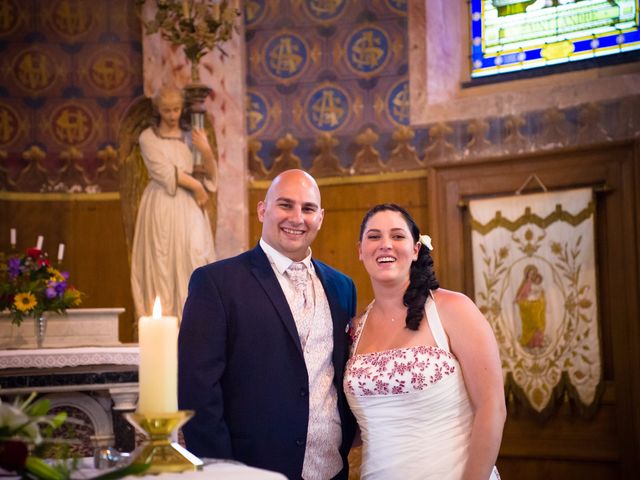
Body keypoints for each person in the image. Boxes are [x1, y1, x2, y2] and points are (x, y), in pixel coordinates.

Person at [178, 169, 357, 480]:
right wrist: (222, 473)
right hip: (251, 471)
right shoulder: (217, 283)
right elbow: (197, 390)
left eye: (308, 209)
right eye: (285, 205)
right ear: (263, 210)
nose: (297, 218)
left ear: (321, 217)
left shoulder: (343, 287)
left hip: (332, 468)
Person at [344, 203, 506, 479]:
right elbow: (355, 430)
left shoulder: (453, 309)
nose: (385, 245)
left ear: (416, 249)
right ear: (360, 250)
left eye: (397, 236)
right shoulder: (355, 329)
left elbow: (492, 407)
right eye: (374, 237)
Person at [131, 85, 216, 321]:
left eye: (176, 109)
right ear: (158, 109)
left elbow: (209, 175)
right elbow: (164, 171)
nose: (171, 115)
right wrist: (196, 187)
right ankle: (166, 326)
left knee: (196, 256)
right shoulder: (148, 137)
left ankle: (195, 323)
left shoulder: (192, 135)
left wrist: (206, 151)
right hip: (162, 204)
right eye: (166, 110)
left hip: (189, 207)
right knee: (162, 267)